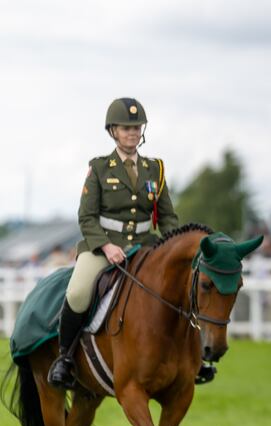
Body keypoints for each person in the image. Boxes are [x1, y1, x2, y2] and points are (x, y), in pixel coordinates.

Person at [48, 97, 179, 388]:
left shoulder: (155, 170)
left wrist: (174, 245)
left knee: (179, 287)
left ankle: (190, 358)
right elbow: (86, 217)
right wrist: (106, 246)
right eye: (125, 127)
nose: (132, 132)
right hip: (104, 246)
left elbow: (167, 216)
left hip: (146, 245)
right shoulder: (99, 168)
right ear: (113, 132)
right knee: (79, 291)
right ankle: (65, 358)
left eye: (137, 127)